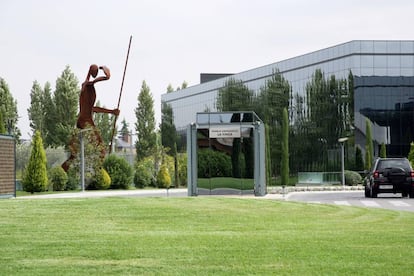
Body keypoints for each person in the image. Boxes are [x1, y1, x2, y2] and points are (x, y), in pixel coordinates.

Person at [62, 64, 119, 172]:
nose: (96, 73)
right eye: (95, 71)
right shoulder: (88, 85)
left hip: (81, 121)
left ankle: (60, 173)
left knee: (74, 155)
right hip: (86, 121)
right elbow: (107, 77)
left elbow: (93, 108)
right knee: (101, 150)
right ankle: (97, 174)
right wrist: (105, 69)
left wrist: (112, 111)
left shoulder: (84, 87)